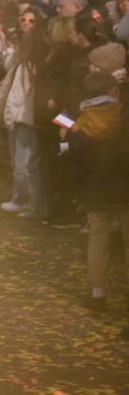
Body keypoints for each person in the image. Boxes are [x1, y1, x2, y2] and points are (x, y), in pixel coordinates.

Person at [69, 71, 129, 315]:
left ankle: (98, 294)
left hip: (95, 191)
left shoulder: (79, 123)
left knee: (97, 241)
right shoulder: (123, 115)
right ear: (114, 92)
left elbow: (74, 161)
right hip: (125, 189)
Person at [0, 28, 49, 219]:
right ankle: (25, 201)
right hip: (31, 119)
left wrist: (8, 118)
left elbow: (16, 97)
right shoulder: (39, 65)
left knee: (25, 165)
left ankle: (32, 204)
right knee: (27, 164)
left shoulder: (25, 67)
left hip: (23, 119)